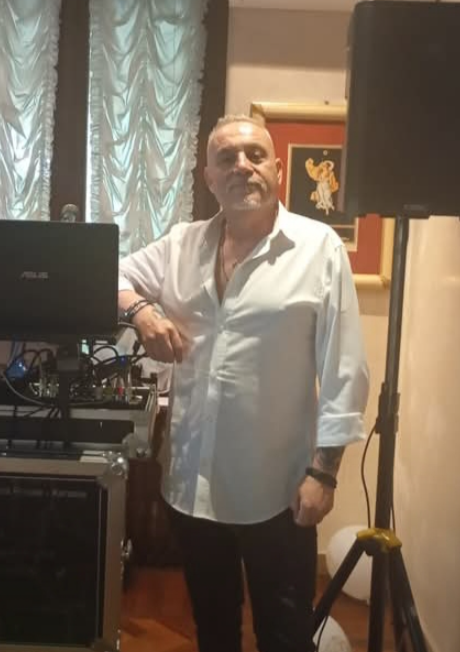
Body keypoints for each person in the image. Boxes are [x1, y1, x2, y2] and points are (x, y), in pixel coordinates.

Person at [118, 114, 369, 652]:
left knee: (285, 636)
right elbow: (109, 273)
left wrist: (324, 473)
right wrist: (141, 312)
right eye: (226, 158)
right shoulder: (182, 245)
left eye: (255, 155)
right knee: (213, 631)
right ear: (208, 177)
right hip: (192, 482)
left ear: (277, 168)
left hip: (277, 490)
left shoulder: (318, 248)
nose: (242, 167)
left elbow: (345, 368)